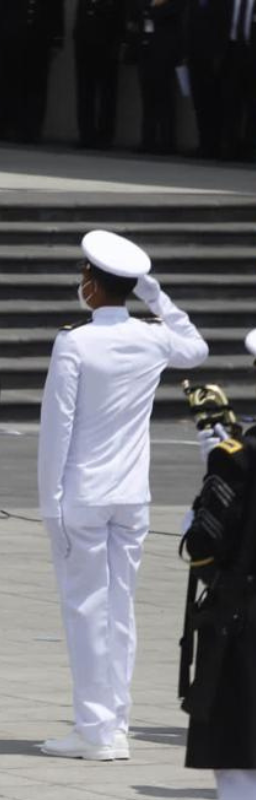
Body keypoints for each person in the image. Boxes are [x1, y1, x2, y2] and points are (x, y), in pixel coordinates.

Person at [38, 230, 209, 760]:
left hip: (83, 495)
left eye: (84, 277)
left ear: (91, 283)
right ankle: (116, 720)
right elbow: (196, 349)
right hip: (132, 495)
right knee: (119, 609)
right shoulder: (152, 337)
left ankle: (95, 731)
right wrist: (154, 295)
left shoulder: (76, 342)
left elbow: (56, 432)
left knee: (85, 609)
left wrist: (50, 505)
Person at [181, 329, 256, 800]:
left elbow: (204, 547)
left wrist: (215, 465)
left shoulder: (237, 459)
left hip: (245, 623)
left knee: (238, 766)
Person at [0, 0, 63, 143]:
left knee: (35, 87)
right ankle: (1, 127)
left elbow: (55, 8)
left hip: (39, 38)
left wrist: (57, 39)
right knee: (6, 82)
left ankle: (30, 130)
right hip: (10, 35)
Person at [72, 0, 125, 149]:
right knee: (84, 93)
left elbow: (120, 21)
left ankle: (105, 137)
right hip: (84, 48)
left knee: (108, 95)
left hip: (107, 49)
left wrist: (117, 47)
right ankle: (86, 135)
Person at [135, 0, 184, 155]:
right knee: (148, 98)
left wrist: (152, 8)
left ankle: (167, 143)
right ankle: (148, 140)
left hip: (165, 54)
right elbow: (139, 10)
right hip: (145, 51)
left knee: (165, 99)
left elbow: (171, 12)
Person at [187, 0, 229, 159]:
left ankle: (215, 145)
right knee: (199, 102)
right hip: (194, 55)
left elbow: (223, 26)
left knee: (214, 103)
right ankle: (203, 143)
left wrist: (218, 55)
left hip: (212, 58)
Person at [220, 0, 256, 161]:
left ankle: (250, 149)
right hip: (232, 54)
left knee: (253, 105)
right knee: (230, 102)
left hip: (252, 52)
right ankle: (230, 147)